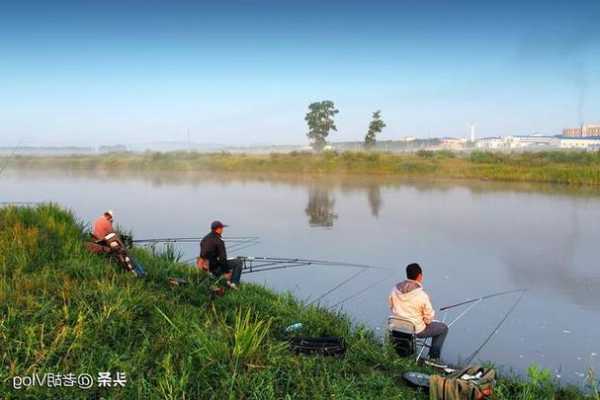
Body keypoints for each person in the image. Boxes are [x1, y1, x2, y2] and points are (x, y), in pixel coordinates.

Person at [389, 263, 448, 366]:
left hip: (396, 327)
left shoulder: (395, 290)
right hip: (416, 330)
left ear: (407, 274)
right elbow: (429, 318)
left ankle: (401, 353)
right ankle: (433, 359)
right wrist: (426, 321)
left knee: (408, 326)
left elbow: (391, 306)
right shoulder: (422, 295)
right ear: (420, 276)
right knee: (443, 328)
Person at [198, 221, 242, 289]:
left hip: (206, 268)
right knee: (238, 262)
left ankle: (227, 282)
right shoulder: (219, 241)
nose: (222, 230)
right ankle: (234, 284)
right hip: (215, 270)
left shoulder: (204, 239)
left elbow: (202, 256)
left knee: (225, 265)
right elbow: (222, 259)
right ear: (218, 229)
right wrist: (226, 272)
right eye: (221, 228)